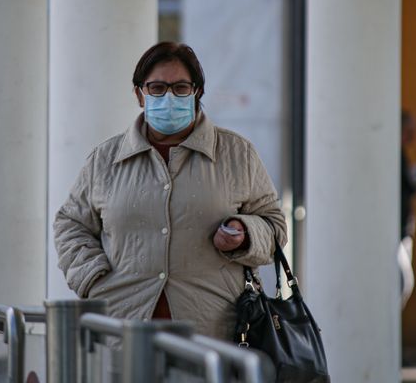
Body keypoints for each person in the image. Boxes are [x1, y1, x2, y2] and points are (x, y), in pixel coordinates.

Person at [53, 41, 287, 341]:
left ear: (197, 92)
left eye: (180, 88)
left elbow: (275, 226)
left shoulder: (236, 154)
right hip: (123, 330)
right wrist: (93, 278)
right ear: (140, 94)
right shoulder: (106, 159)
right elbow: (70, 224)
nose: (168, 97)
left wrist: (246, 232)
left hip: (213, 332)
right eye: (157, 88)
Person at [399, 110, 416, 307]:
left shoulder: (401, 155)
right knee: (402, 283)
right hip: (397, 232)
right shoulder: (395, 156)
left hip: (403, 231)